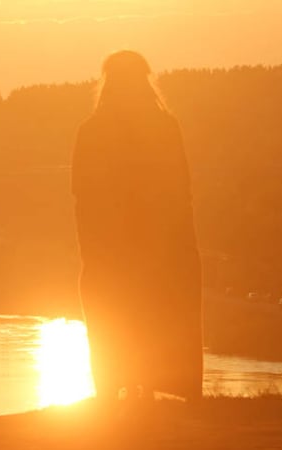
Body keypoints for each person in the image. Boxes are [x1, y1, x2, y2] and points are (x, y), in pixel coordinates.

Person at [71, 51, 203, 407]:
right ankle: (149, 386)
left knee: (115, 319)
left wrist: (94, 250)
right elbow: (181, 192)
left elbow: (83, 198)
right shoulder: (165, 127)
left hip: (112, 253)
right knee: (157, 317)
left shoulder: (91, 132)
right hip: (158, 249)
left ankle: (120, 390)